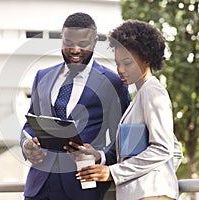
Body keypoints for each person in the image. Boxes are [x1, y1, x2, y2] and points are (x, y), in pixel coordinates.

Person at [20, 12, 130, 200]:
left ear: (95, 42)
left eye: (83, 44)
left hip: (82, 187)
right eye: (69, 43)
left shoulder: (113, 83)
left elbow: (123, 139)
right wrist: (26, 145)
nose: (75, 50)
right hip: (39, 186)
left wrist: (100, 156)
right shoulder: (42, 77)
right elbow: (30, 124)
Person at [76, 19, 183, 200]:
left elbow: (163, 149)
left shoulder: (152, 91)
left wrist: (113, 172)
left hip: (150, 195)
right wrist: (99, 156)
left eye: (127, 63)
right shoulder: (141, 96)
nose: (120, 70)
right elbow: (175, 149)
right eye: (118, 64)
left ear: (147, 58)